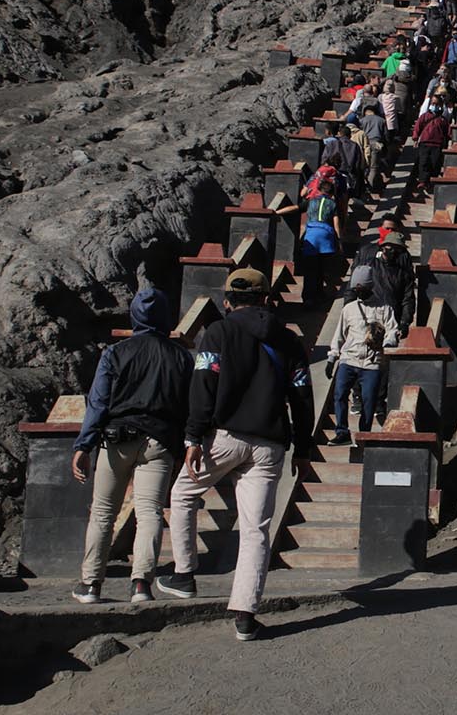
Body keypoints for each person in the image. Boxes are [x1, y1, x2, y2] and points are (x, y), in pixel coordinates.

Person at [159, 269, 314, 642]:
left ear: (228, 300)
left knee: (182, 495)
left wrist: (194, 435)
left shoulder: (217, 332)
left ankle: (184, 574)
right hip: (270, 445)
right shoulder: (289, 340)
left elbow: (204, 383)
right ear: (267, 299)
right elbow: (302, 395)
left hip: (224, 438)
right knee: (256, 530)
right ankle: (245, 614)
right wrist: (303, 447)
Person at [69, 286, 192, 605]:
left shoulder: (115, 353)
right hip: (160, 442)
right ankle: (141, 585)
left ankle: (91, 584)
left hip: (116, 440)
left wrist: (84, 444)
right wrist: (187, 443)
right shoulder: (181, 356)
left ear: (135, 315)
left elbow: (98, 402)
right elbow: (187, 405)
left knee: (102, 513)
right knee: (150, 512)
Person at [325, 267, 400, 443]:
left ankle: (364, 433)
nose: (358, 291)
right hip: (349, 359)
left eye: (361, 288)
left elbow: (392, 330)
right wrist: (332, 357)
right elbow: (339, 335)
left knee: (369, 399)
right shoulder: (349, 309)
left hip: (372, 363)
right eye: (356, 289)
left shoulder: (385, 309)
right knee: (340, 394)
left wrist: (388, 342)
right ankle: (342, 431)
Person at [355, 216, 418, 330]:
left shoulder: (403, 257)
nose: (389, 232)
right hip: (367, 312)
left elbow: (407, 292)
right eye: (387, 228)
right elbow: (355, 283)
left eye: (393, 230)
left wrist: (405, 321)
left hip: (392, 313)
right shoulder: (366, 252)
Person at [298, 162, 343, 300]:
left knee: (309, 270)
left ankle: (307, 298)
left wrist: (276, 212)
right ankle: (319, 294)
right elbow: (336, 225)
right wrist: (339, 242)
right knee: (321, 269)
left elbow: (295, 208)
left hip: (311, 236)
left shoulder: (311, 202)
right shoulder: (333, 204)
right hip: (326, 238)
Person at [410, 98, 451, 196]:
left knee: (435, 162)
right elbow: (417, 127)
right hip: (425, 142)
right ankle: (423, 181)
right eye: (433, 104)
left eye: (437, 104)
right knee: (423, 162)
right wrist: (415, 138)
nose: (435, 106)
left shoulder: (443, 120)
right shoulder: (424, 116)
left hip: (437, 144)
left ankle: (431, 180)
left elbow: (447, 132)